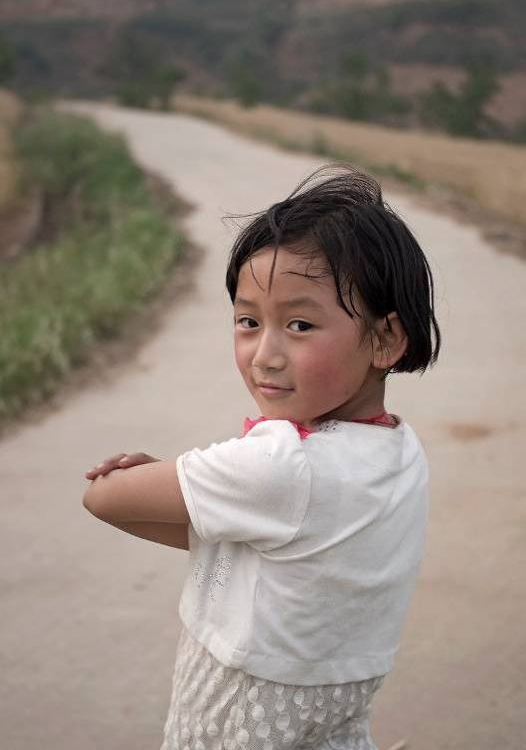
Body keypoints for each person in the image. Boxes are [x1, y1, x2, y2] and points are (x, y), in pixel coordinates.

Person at [83, 163, 441, 750]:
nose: (264, 355)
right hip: (338, 704)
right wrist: (213, 511)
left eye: (299, 324)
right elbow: (298, 548)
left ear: (385, 338)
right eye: (248, 321)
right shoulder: (398, 449)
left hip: (237, 711)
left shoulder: (282, 465)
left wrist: (163, 484)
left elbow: (101, 497)